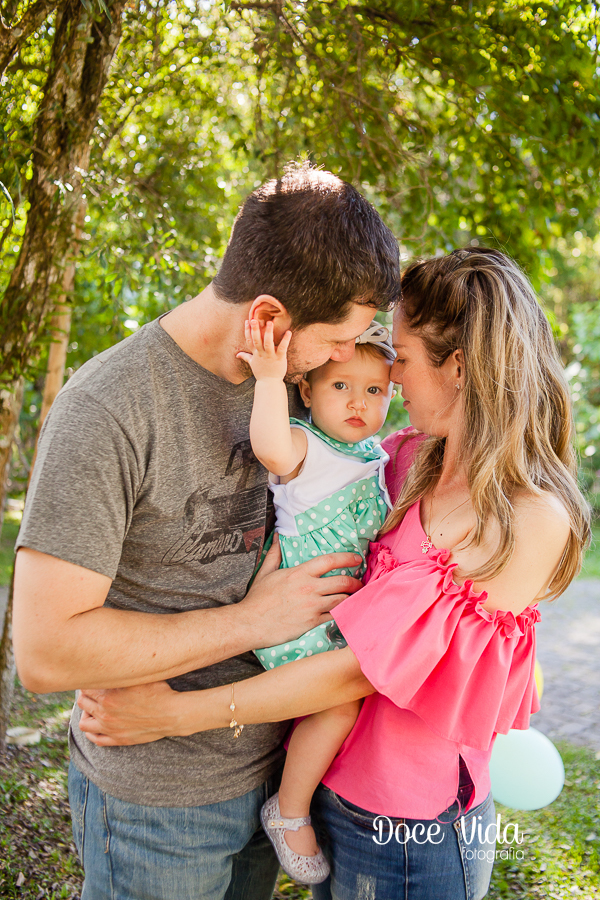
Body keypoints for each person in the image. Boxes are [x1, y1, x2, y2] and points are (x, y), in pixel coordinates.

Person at [77, 247, 591, 900]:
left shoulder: (529, 516)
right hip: (327, 791)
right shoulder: (406, 462)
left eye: (400, 358)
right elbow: (310, 511)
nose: (392, 377)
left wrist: (174, 715)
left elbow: (361, 668)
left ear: (457, 367)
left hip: (411, 825)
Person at [12, 161, 401, 900]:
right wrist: (252, 620)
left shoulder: (290, 387)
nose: (340, 362)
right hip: (155, 804)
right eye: (335, 342)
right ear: (269, 321)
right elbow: (44, 651)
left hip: (271, 779)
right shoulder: (109, 410)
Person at [237, 317, 396, 883]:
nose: (358, 402)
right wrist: (268, 379)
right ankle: (289, 808)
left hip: (338, 614)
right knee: (336, 705)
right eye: (340, 386)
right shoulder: (307, 445)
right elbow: (270, 448)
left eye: (374, 390)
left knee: (345, 705)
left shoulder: (373, 455)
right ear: (307, 391)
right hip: (301, 613)